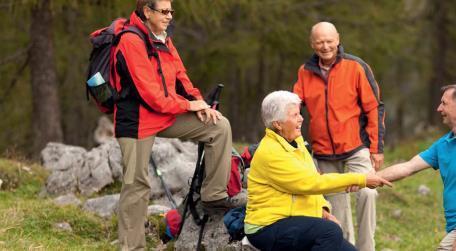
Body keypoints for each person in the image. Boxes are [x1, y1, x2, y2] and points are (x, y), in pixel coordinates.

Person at [112, 1, 234, 250]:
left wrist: (199, 102)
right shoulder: (130, 41)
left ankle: (213, 196)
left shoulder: (164, 38)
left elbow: (181, 77)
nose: (170, 16)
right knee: (136, 184)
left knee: (218, 126)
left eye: (171, 12)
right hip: (136, 120)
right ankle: (131, 246)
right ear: (147, 11)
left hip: (164, 113)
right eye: (164, 11)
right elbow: (151, 94)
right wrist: (188, 106)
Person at [244, 91, 392, 251]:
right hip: (266, 227)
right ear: (278, 124)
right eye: (294, 115)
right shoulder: (271, 152)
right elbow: (311, 184)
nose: (301, 118)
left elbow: (311, 178)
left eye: (299, 113)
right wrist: (360, 179)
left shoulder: (296, 143)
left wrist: (324, 212)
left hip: (290, 220)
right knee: (330, 232)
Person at [293, 21, 385, 251]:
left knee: (368, 194)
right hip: (323, 152)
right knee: (336, 210)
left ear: (338, 39)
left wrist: (376, 148)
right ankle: (347, 248)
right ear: (312, 44)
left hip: (356, 147)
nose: (325, 46)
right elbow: (294, 106)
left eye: (329, 41)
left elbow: (374, 108)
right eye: (319, 42)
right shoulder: (305, 72)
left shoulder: (356, 67)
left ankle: (366, 248)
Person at [378, 84, 456, 251]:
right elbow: (409, 167)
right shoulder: (445, 143)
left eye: (444, 103)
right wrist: (368, 178)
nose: (438, 108)